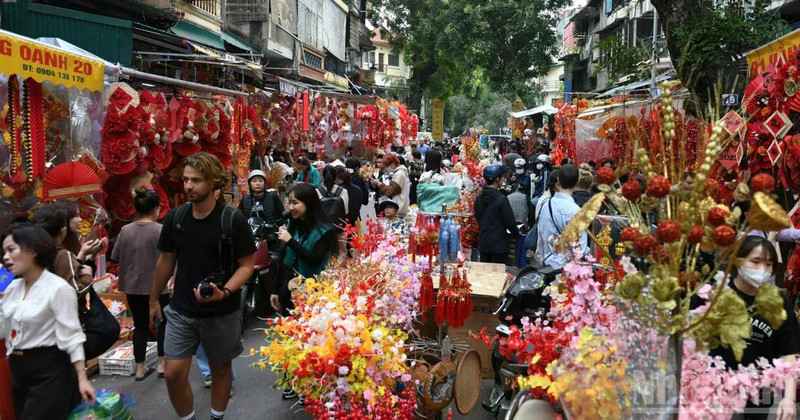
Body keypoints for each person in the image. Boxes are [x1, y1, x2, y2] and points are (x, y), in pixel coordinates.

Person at [150, 153, 256, 420]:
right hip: (182, 309)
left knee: (221, 370)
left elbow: (247, 265)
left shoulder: (232, 220)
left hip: (222, 311)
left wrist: (226, 291)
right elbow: (165, 259)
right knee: (173, 373)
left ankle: (216, 417)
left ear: (213, 183)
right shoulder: (176, 218)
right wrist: (154, 298)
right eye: (186, 180)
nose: (188, 186)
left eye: (196, 180)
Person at [1, 224, 95, 418]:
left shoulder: (57, 289)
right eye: (4, 252)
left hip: (50, 370)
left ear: (33, 250)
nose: (6, 257)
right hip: (18, 371)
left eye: (11, 250)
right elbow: (3, 331)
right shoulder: (12, 289)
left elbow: (72, 336)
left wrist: (82, 377)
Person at [706, 237, 799, 419]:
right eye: (755, 262)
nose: (762, 270)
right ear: (737, 260)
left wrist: (789, 398)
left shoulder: (778, 302)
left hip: (759, 396)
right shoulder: (715, 296)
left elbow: (789, 352)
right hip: (715, 392)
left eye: (769, 264)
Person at [110, 188, 168, 380]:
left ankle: (140, 367)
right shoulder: (160, 230)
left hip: (133, 287)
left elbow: (116, 256)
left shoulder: (125, 231)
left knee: (140, 326)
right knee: (163, 325)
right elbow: (169, 259)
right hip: (158, 287)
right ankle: (161, 364)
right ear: (156, 209)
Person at [270, 183, 339, 323]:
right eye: (289, 202)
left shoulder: (325, 231)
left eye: (295, 203)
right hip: (288, 289)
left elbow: (315, 260)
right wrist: (275, 290)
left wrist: (290, 241)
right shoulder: (293, 225)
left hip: (312, 292)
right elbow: (282, 260)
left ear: (309, 203)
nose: (290, 207)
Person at [31, 206, 93, 299]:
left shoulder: (30, 253)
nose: (80, 219)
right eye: (76, 215)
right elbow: (76, 292)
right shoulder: (62, 254)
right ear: (63, 230)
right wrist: (87, 276)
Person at [536, 164, 589, 270]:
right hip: (568, 269)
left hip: (547, 265)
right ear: (577, 182)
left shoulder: (546, 204)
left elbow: (541, 237)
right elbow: (580, 249)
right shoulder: (576, 211)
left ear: (558, 181)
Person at [474, 165, 519, 263]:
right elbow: (509, 222)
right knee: (498, 275)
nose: (503, 180)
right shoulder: (501, 199)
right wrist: (517, 233)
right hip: (499, 245)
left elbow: (478, 218)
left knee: (484, 273)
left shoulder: (478, 199)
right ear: (497, 179)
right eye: (502, 178)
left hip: (483, 243)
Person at [50, 199, 107, 269]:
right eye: (76, 216)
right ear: (65, 218)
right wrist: (82, 254)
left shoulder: (72, 240)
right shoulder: (56, 248)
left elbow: (85, 275)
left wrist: (94, 254)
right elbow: (71, 275)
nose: (80, 219)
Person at [371, 154, 410, 219]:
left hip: (398, 208)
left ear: (393, 163)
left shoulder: (399, 174)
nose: (387, 168)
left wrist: (379, 184)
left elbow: (391, 191)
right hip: (397, 207)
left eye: (387, 165)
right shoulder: (399, 172)